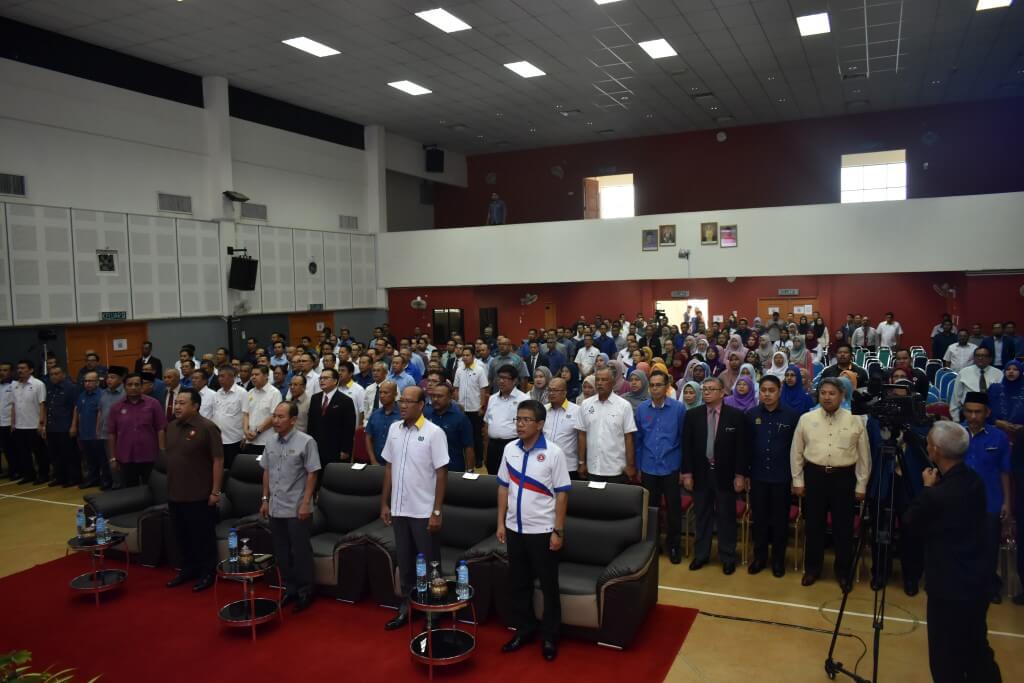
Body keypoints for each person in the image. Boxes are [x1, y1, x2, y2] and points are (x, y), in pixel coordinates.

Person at [902, 421, 1002, 683]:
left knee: (945, 659)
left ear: (935, 450)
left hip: (948, 588)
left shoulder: (938, 495)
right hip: (977, 581)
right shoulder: (974, 481)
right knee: (977, 650)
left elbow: (911, 521)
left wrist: (927, 488)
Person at [496, 400, 570, 662]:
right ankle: (524, 630)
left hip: (543, 531)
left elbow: (562, 494)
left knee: (549, 586)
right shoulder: (509, 449)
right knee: (518, 583)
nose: (520, 424)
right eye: (518, 419)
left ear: (539, 424)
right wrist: (500, 522)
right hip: (514, 529)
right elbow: (503, 487)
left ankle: (550, 636)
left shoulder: (554, 453)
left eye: (526, 420)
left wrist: (558, 531)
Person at [379, 386, 449, 631]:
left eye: (409, 401)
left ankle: (434, 609)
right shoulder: (394, 429)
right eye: (402, 400)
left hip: (423, 511)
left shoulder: (434, 433)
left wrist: (436, 511)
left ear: (421, 405)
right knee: (405, 562)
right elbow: (389, 467)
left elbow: (442, 474)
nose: (403, 405)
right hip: (399, 509)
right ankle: (407, 605)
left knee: (430, 563)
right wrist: (384, 502)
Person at [790, 377, 871, 587]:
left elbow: (864, 456)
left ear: (842, 396)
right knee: (813, 526)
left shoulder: (855, 420)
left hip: (843, 478)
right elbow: (796, 452)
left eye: (832, 393)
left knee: (843, 528)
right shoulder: (806, 419)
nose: (827, 397)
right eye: (823, 393)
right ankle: (812, 569)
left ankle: (843, 572)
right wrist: (798, 480)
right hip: (814, 477)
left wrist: (861, 484)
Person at [681, 377, 749, 574]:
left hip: (726, 475)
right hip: (700, 474)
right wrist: (687, 474)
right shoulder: (692, 415)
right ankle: (701, 555)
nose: (707, 392)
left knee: (726, 517)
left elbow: (741, 449)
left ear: (722, 393)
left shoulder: (735, 416)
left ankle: (727, 556)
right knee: (702, 516)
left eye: (712, 389)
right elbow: (686, 447)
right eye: (705, 389)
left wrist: (740, 475)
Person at [259, 401, 321, 613]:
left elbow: (312, 473)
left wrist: (306, 503)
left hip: (297, 508)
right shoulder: (270, 441)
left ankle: (306, 590)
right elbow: (266, 471)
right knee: (282, 552)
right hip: (275, 506)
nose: (276, 421)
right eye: (274, 416)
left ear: (293, 420)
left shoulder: (307, 441)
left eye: (281, 417)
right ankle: (290, 588)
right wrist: (264, 499)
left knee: (300, 551)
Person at [165, 387, 223, 593]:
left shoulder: (207, 428)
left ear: (195, 406)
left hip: (199, 494)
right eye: (176, 402)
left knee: (202, 537)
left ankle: (207, 572)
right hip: (175, 492)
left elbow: (218, 460)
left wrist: (215, 492)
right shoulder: (171, 427)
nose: (177, 407)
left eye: (182, 403)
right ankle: (188, 569)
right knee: (182, 535)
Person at [960, 392, 1013, 604]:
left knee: (989, 548)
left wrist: (1007, 502)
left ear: (987, 412)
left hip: (991, 502)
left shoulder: (999, 437)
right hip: (961, 502)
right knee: (962, 545)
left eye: (978, 412)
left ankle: (989, 586)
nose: (973, 416)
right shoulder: (956, 434)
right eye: (969, 411)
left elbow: (1005, 472)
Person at [746, 375, 800, 577]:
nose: (767, 394)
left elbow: (797, 449)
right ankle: (759, 558)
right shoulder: (751, 415)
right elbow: (746, 447)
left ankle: (778, 560)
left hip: (782, 477)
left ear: (779, 391)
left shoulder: (792, 416)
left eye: (771, 390)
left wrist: (796, 477)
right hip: (758, 476)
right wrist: (746, 473)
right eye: (763, 390)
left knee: (780, 521)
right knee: (759, 519)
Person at [635, 371, 686, 564]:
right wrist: (638, 466)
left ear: (667, 387)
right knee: (651, 509)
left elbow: (683, 439)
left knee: (673, 509)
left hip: (671, 466)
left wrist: (682, 468)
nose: (655, 389)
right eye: (652, 385)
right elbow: (638, 440)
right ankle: (653, 545)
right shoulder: (642, 409)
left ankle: (674, 545)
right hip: (648, 466)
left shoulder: (678, 409)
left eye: (659, 385)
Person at [577, 367, 638, 483]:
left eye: (604, 380)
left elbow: (628, 437)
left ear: (613, 382)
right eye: (597, 380)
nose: (600, 383)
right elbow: (581, 435)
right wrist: (581, 462)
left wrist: (630, 465)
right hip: (593, 468)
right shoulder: (585, 404)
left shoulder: (624, 406)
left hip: (617, 469)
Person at [106, 373, 167, 487]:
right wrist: (113, 458)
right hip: (125, 457)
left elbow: (160, 429)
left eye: (136, 384)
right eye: (130, 384)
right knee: (130, 491)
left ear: (141, 386)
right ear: (124, 386)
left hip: (149, 456)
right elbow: (112, 434)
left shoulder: (153, 404)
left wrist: (162, 452)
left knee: (152, 488)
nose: (133, 387)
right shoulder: (116, 408)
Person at [306, 368, 357, 470]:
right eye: (320, 378)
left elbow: (349, 428)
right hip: (316, 448)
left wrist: (345, 450)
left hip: (336, 449)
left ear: (335, 381)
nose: (322, 380)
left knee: (333, 476)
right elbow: (311, 424)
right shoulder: (315, 398)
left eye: (325, 378)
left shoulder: (346, 401)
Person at [483, 365, 527, 475]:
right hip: (493, 446)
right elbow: (487, 424)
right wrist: (485, 452)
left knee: (511, 477)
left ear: (515, 381)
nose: (501, 381)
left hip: (513, 445)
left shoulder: (523, 399)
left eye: (505, 378)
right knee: (492, 476)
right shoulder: (492, 398)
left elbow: (527, 427)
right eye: (499, 377)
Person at [11, 359, 48, 484]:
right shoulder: (14, 385)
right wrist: (13, 423)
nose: (20, 370)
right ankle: (29, 474)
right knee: (23, 453)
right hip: (19, 425)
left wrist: (41, 424)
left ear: (31, 370)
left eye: (23, 368)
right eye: (18, 368)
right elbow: (13, 405)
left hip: (34, 425)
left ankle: (43, 475)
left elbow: (42, 405)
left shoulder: (38, 384)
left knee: (39, 452)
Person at [424, 382, 475, 472]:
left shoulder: (461, 418)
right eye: (433, 396)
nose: (435, 399)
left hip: (452, 469)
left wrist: (470, 471)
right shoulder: (425, 415)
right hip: (428, 469)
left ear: (450, 397)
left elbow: (468, 447)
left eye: (440, 396)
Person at [44, 366, 79, 487]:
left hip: (65, 426)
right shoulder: (49, 388)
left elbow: (76, 407)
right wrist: (44, 425)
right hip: (52, 427)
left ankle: (73, 478)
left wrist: (73, 425)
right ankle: (60, 477)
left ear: (63, 374)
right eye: (51, 374)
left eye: (56, 373)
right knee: (55, 454)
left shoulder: (71, 388)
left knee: (69, 454)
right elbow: (47, 407)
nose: (53, 376)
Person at [542, 378, 581, 480]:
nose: (551, 393)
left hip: (568, 466)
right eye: (549, 390)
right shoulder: (543, 410)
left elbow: (581, 438)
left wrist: (581, 462)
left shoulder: (576, 411)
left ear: (565, 392)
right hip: (544, 464)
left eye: (555, 390)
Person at [949, 347, 1003, 421]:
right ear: (974, 358)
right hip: (968, 413)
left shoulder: (999, 374)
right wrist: (956, 419)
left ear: (990, 359)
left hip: (992, 414)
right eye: (978, 355)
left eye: (984, 356)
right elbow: (955, 399)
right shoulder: (964, 372)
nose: (980, 358)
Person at [210, 366, 246, 468]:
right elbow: (214, 414)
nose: (219, 379)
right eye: (219, 376)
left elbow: (246, 414)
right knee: (218, 467)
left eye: (222, 376)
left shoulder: (242, 393)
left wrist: (245, 436)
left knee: (232, 468)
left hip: (234, 439)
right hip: (218, 439)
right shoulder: (217, 393)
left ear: (231, 377)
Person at [243, 365, 281, 455]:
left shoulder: (274, 393)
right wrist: (245, 431)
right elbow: (246, 414)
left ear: (266, 376)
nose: (253, 377)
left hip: (266, 440)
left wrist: (257, 432)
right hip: (250, 440)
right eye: (252, 375)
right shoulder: (250, 392)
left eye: (257, 374)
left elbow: (273, 416)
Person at [365, 381, 401, 466]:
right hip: (377, 463)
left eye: (386, 393)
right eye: (380, 392)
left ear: (395, 394)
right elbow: (368, 438)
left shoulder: (403, 415)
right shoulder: (375, 414)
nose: (382, 396)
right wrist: (373, 460)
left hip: (397, 464)